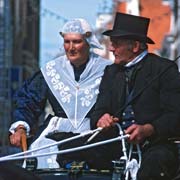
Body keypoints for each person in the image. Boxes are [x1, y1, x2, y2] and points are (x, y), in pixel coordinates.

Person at [8, 18, 112, 169]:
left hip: (95, 131)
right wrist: (21, 127)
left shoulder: (108, 69)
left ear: (88, 42)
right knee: (40, 153)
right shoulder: (52, 70)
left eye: (76, 42)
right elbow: (28, 100)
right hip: (56, 132)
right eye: (67, 42)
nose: (71, 48)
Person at [90, 12, 180, 180]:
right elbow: (98, 110)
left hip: (155, 145)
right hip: (115, 143)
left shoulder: (164, 69)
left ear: (135, 46)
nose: (111, 48)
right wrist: (101, 119)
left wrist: (148, 129)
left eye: (116, 44)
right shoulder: (111, 72)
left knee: (155, 163)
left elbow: (175, 114)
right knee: (72, 154)